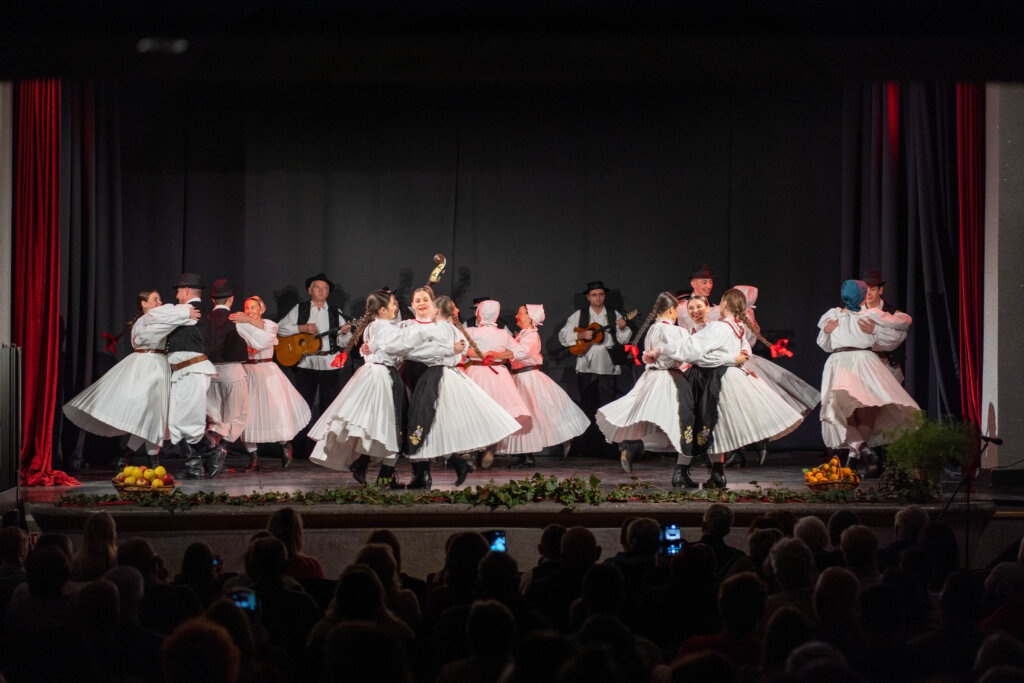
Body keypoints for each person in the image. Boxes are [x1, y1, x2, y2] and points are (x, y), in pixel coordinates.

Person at [648, 288, 804, 488]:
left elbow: (693, 352)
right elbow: (732, 352)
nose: (696, 310)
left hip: (710, 378)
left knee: (707, 427)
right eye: (691, 307)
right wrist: (731, 358)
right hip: (707, 377)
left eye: (701, 306)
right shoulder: (734, 327)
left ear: (720, 306)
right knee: (698, 427)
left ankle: (709, 472)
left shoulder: (717, 328)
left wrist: (661, 350)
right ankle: (700, 472)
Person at [63, 288, 199, 470]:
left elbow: (166, 325)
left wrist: (181, 316)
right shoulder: (144, 321)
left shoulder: (158, 319)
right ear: (144, 304)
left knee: (152, 418)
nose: (159, 303)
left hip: (158, 365)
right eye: (155, 299)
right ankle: (150, 462)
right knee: (151, 417)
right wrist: (184, 314)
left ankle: (126, 455)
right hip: (148, 366)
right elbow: (153, 333)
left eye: (159, 299)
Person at [308, 289, 431, 487]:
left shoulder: (373, 327)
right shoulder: (387, 329)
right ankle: (373, 468)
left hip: (372, 374)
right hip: (383, 376)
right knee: (392, 425)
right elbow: (401, 347)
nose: (396, 307)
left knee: (379, 424)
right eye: (393, 304)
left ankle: (371, 467)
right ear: (382, 309)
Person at [402, 290, 521, 489]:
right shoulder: (452, 329)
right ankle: (454, 462)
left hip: (433, 375)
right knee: (437, 423)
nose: (424, 305)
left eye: (427, 302)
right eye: (418, 301)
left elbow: (429, 351)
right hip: (443, 375)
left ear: (435, 308)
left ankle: (439, 467)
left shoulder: (439, 328)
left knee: (424, 421)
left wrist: (413, 350)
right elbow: (457, 354)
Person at [596, 292, 699, 488]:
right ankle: (673, 468)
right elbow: (680, 356)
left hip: (651, 378)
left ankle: (645, 450)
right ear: (671, 310)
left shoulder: (653, 328)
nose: (678, 314)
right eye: (677, 310)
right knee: (686, 428)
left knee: (674, 430)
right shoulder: (676, 331)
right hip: (670, 379)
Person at [817, 279, 920, 472]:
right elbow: (900, 327)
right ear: (863, 295)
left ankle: (859, 450)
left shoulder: (834, 315)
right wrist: (875, 329)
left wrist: (828, 331)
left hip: (841, 361)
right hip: (863, 361)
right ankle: (859, 451)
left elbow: (824, 345)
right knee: (863, 410)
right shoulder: (870, 315)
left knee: (844, 412)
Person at [724, 285, 821, 467]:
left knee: (739, 407)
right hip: (740, 361)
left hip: (741, 362)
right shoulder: (743, 316)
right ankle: (745, 447)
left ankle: (748, 445)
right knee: (739, 408)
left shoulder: (742, 318)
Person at [229, 295, 311, 471]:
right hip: (247, 372)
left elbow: (266, 335)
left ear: (261, 310)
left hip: (267, 371)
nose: (249, 311)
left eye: (253, 307)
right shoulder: (241, 325)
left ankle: (285, 447)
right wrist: (243, 321)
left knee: (276, 411)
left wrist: (246, 321)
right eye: (247, 307)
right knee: (248, 415)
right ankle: (254, 458)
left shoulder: (269, 325)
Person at [276, 272, 352, 458]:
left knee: (329, 408)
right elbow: (279, 328)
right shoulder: (300, 309)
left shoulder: (336, 313)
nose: (321, 291)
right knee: (303, 408)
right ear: (310, 290)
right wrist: (300, 328)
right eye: (317, 287)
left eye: (325, 288)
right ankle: (300, 450)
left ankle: (324, 450)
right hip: (306, 364)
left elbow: (345, 343)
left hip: (329, 365)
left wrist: (344, 333)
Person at [502, 304, 589, 468]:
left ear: (530, 317)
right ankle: (524, 454)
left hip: (528, 378)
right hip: (519, 377)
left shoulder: (531, 336)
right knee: (526, 416)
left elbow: (522, 353)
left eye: (520, 313)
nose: (516, 316)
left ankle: (530, 454)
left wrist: (506, 346)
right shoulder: (522, 335)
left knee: (536, 414)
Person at [558, 280, 631, 456]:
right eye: (594, 295)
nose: (598, 298)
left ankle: (607, 447)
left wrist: (623, 328)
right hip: (586, 366)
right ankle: (585, 447)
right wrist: (581, 334)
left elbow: (623, 340)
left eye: (601, 294)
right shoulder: (580, 315)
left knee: (607, 407)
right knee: (588, 406)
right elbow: (563, 335)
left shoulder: (613, 315)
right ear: (588, 297)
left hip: (608, 366)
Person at [165, 273, 225, 479]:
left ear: (187, 291)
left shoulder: (190, 310)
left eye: (180, 291)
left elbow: (161, 316)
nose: (178, 295)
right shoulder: (188, 311)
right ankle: (194, 466)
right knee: (176, 421)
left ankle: (212, 452)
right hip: (183, 371)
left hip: (193, 371)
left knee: (188, 421)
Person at [462, 299, 533, 468]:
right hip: (497, 374)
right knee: (496, 412)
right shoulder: (503, 334)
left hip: (476, 372)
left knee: (474, 412)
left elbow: (459, 347)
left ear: (480, 313)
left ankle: (471, 450)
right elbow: (520, 351)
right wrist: (499, 354)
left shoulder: (470, 331)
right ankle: (489, 448)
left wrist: (480, 354)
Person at [205, 278, 250, 458]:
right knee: (240, 414)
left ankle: (213, 445)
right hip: (232, 371)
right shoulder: (237, 320)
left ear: (213, 300)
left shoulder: (204, 320)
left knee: (216, 416)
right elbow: (260, 341)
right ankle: (222, 447)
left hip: (210, 371)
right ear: (230, 299)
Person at [862, 270, 911, 383]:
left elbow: (900, 332)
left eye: (872, 289)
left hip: (887, 366)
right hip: (865, 366)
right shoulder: (857, 311)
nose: (868, 293)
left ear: (880, 290)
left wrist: (876, 330)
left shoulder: (892, 314)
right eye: (866, 290)